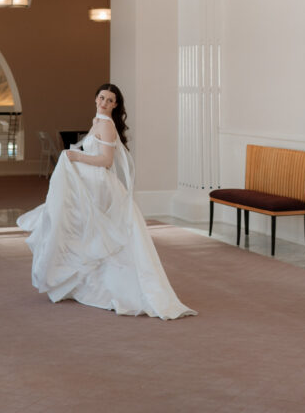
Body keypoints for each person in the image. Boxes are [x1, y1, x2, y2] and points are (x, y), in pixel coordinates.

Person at [17, 83, 196, 319]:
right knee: (90, 232)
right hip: (92, 183)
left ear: (116, 105)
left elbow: (106, 161)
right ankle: (89, 285)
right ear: (95, 99)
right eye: (101, 97)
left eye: (109, 100)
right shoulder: (97, 122)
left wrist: (74, 156)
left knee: (104, 234)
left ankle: (120, 289)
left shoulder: (107, 126)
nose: (104, 102)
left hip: (101, 185)